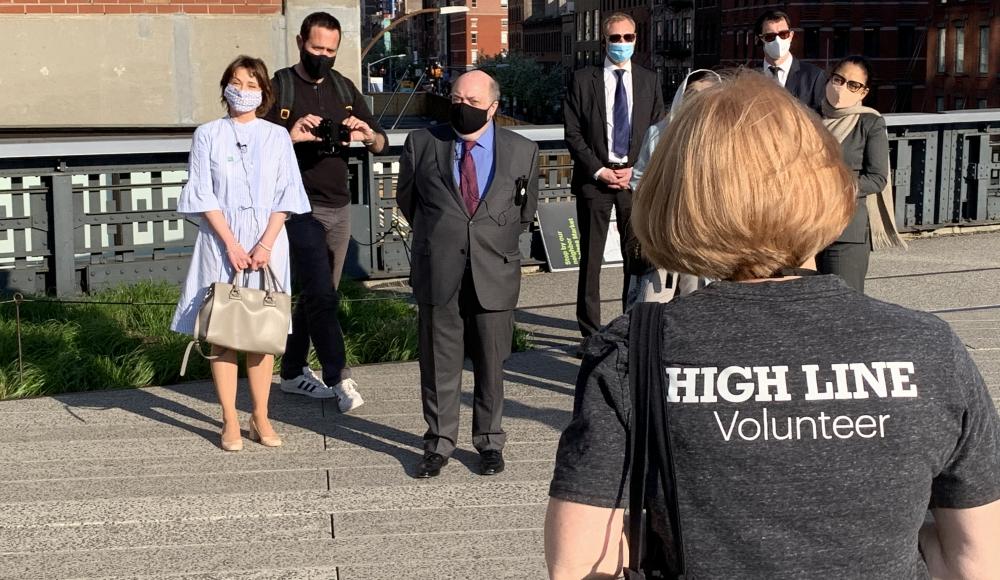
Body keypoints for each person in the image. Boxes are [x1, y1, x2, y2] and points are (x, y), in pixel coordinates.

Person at [545, 72, 1000, 578]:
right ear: (828, 185)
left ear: (676, 196)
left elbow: (581, 562)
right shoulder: (929, 349)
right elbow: (973, 557)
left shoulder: (632, 352)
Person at [396, 70, 540, 479]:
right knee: (438, 361)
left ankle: (489, 441)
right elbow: (410, 201)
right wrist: (444, 233)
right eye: (457, 99)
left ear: (494, 107)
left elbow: (524, 212)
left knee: (492, 363)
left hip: (494, 269)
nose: (463, 107)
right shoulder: (422, 143)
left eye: (473, 103)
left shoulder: (522, 150)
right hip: (437, 267)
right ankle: (438, 443)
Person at [171, 56, 311, 452]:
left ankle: (261, 414)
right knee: (224, 330)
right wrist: (231, 243)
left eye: (251, 84)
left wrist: (265, 243)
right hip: (221, 242)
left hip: (268, 243)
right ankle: (229, 417)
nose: (242, 90)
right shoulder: (208, 134)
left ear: (263, 92)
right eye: (236, 82)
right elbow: (201, 191)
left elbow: (287, 193)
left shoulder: (277, 136)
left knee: (262, 333)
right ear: (224, 88)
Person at [264, 12, 388, 412]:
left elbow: (381, 143)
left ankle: (293, 371)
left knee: (319, 295)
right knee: (319, 293)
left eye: (330, 51)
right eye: (317, 49)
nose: (323, 56)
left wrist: (366, 134)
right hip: (297, 206)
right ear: (301, 42)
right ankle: (339, 377)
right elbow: (251, 145)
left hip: (339, 204)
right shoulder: (279, 87)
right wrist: (291, 135)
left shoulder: (343, 87)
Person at [564, 12, 665, 348]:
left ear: (636, 39)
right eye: (615, 38)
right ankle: (590, 333)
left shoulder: (650, 80)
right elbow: (574, 132)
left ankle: (628, 324)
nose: (622, 44)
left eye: (628, 38)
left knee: (636, 256)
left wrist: (634, 169)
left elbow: (657, 130)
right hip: (595, 179)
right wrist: (600, 170)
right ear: (603, 42)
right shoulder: (582, 79)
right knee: (590, 258)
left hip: (633, 180)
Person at [625, 69, 720, 307]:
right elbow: (638, 178)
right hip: (663, 231)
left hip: (704, 236)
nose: (698, 100)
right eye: (692, 94)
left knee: (696, 302)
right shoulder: (658, 132)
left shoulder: (725, 138)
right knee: (653, 302)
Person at [818, 55, 906, 293]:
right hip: (804, 227)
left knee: (844, 306)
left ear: (863, 92)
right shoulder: (809, 117)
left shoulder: (869, 123)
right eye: (838, 79)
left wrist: (835, 186)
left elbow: (877, 178)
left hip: (845, 232)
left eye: (853, 85)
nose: (842, 88)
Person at [756, 9, 826, 114]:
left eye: (783, 34)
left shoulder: (814, 76)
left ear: (791, 36)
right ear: (759, 39)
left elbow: (821, 120)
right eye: (770, 36)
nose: (778, 41)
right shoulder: (750, 77)